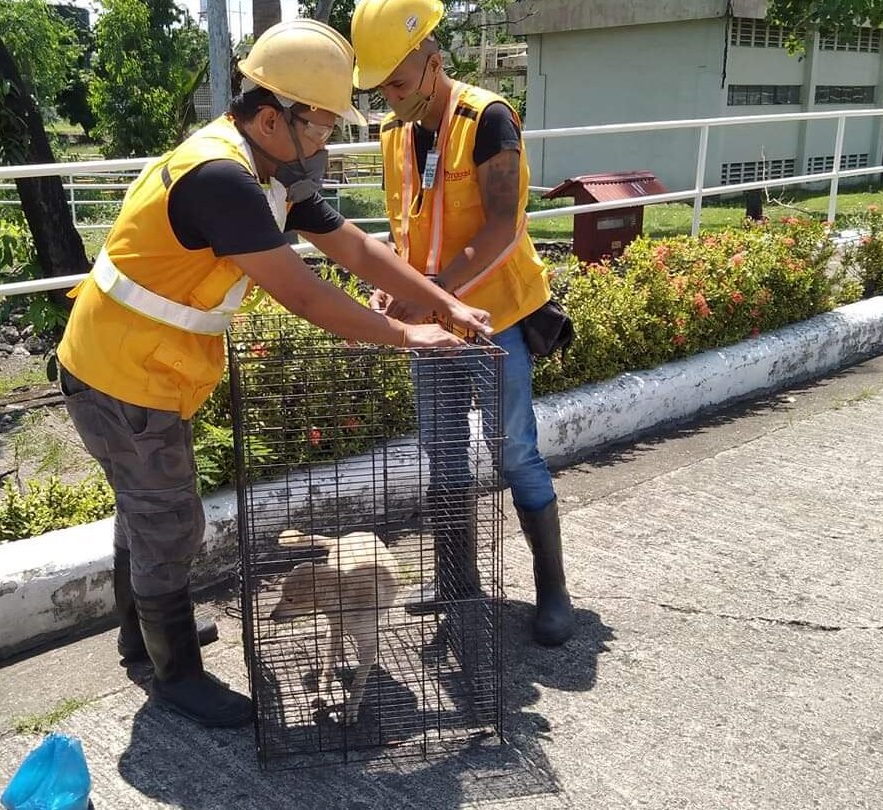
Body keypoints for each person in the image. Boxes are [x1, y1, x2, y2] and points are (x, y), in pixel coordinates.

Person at [54, 18, 492, 730]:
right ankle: (176, 675)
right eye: (318, 128)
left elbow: (345, 243)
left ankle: (144, 637)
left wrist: (442, 301)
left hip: (130, 367)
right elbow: (305, 293)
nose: (323, 143)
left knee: (147, 509)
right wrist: (407, 334)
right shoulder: (223, 179)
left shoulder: (263, 167)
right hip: (121, 376)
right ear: (270, 117)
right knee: (169, 524)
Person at [351, 0, 575, 647]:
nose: (391, 99)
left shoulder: (487, 121)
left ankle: (552, 592)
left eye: (398, 82)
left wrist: (435, 296)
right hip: (433, 325)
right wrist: (392, 284)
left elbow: (503, 225)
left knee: (514, 452)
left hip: (494, 318)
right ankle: (457, 581)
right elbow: (409, 230)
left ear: (434, 64)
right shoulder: (395, 135)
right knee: (443, 455)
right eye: (381, 88)